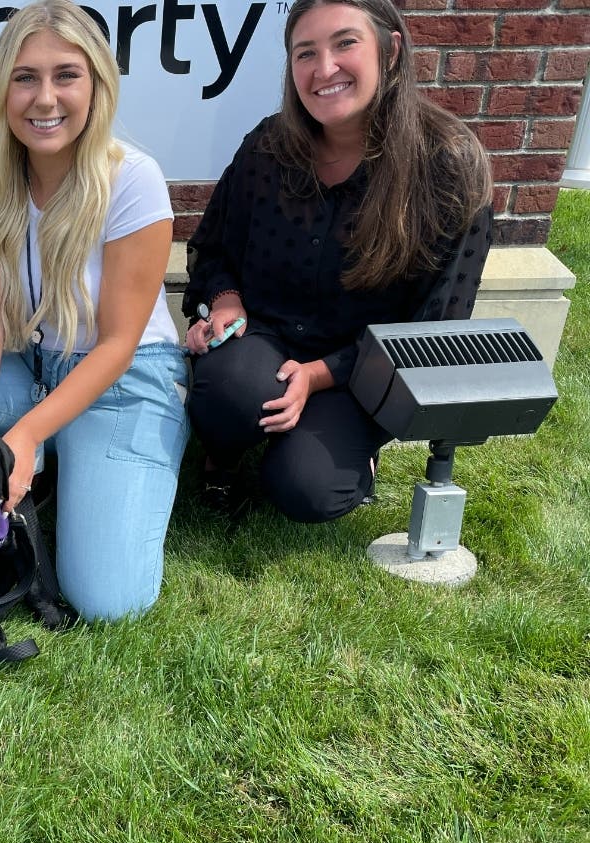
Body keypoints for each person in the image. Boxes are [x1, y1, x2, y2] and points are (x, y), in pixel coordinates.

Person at [0, 0, 189, 621]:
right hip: (39, 366)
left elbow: (119, 344)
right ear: (3, 91)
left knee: (109, 601)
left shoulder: (134, 179)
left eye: (66, 75)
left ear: (97, 83)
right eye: (25, 77)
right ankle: (54, 458)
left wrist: (22, 435)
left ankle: (82, 458)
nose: (45, 98)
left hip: (128, 380)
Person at [183, 0, 493, 522]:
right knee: (227, 393)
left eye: (345, 44)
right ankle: (223, 455)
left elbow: (433, 328)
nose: (324, 69)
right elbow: (214, 247)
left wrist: (319, 374)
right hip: (267, 337)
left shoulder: (449, 169)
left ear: (390, 50)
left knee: (308, 489)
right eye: (306, 53)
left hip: (364, 365)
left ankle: (351, 455)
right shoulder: (267, 147)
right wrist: (224, 301)